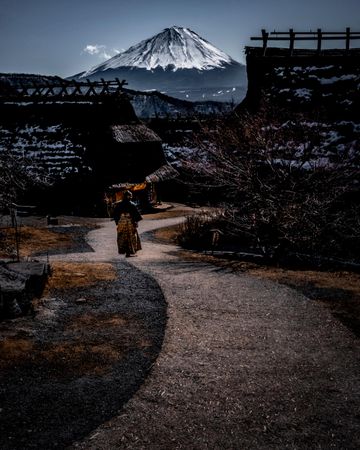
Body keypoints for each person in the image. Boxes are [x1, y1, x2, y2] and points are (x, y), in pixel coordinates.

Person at [112, 191, 142, 257]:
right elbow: (136, 215)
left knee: (122, 236)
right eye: (130, 196)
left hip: (121, 221)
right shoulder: (132, 204)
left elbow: (115, 214)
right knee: (131, 237)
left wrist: (117, 222)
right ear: (128, 196)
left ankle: (126, 252)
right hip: (130, 221)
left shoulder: (119, 204)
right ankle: (130, 252)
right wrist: (135, 222)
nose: (131, 197)